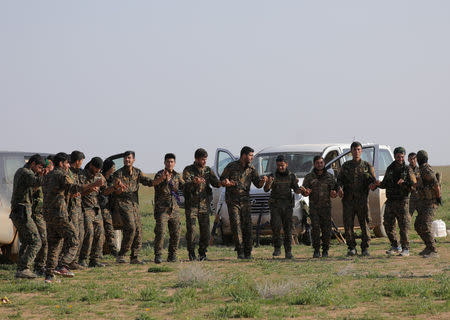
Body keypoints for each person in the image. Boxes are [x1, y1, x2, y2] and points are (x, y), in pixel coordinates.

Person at [43, 152, 103, 283]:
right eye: (66, 163)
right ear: (61, 163)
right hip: (59, 214)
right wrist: (93, 185)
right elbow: (74, 187)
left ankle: (49, 276)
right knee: (75, 239)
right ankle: (62, 265)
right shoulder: (61, 174)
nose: (68, 165)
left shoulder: (48, 176)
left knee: (54, 244)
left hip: (48, 215)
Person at [113, 151, 164, 264]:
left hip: (134, 204)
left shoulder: (137, 172)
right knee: (131, 227)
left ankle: (134, 257)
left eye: (129, 158)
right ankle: (121, 254)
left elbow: (149, 182)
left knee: (138, 230)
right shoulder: (118, 173)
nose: (127, 160)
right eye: (126, 158)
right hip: (123, 204)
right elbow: (114, 188)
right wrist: (118, 187)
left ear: (133, 160)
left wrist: (160, 179)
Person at [220, 146, 267, 259]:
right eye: (250, 155)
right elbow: (222, 180)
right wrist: (225, 182)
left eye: (252, 155)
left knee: (247, 226)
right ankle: (240, 251)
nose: (252, 157)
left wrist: (263, 181)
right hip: (233, 201)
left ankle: (248, 252)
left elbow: (258, 184)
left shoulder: (251, 169)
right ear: (244, 155)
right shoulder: (231, 166)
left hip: (245, 202)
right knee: (236, 225)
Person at [337, 142, 378, 257]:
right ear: (351, 151)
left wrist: (373, 185)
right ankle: (352, 247)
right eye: (354, 150)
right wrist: (339, 188)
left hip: (362, 201)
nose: (356, 152)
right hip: (348, 201)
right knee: (348, 225)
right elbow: (339, 180)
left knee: (364, 224)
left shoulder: (367, 166)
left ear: (361, 151)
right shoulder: (345, 166)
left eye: (358, 149)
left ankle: (365, 248)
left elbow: (372, 181)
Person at [376, 147, 416, 257]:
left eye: (402, 157)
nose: (400, 159)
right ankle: (395, 246)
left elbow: (414, 186)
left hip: (402, 201)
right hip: (391, 201)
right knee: (387, 224)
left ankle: (405, 248)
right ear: (394, 157)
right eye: (398, 157)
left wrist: (405, 183)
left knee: (403, 226)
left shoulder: (408, 169)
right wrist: (378, 184)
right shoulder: (390, 168)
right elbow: (385, 184)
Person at [9, 154, 45, 279]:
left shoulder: (22, 172)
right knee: (36, 241)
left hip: (20, 211)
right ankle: (24, 268)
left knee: (26, 242)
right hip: (22, 212)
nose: (40, 170)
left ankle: (21, 270)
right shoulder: (26, 172)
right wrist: (45, 174)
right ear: (33, 164)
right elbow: (37, 182)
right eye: (39, 167)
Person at [183, 148, 221, 261]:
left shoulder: (208, 170)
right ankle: (191, 253)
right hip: (192, 206)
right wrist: (194, 182)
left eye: (205, 159)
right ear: (196, 159)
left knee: (205, 232)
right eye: (202, 159)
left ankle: (202, 253)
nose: (204, 162)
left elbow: (215, 183)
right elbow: (184, 185)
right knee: (192, 231)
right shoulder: (188, 170)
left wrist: (223, 183)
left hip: (204, 206)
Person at [264, 155, 302, 259]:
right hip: (275, 206)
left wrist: (301, 188)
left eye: (282, 165)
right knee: (276, 227)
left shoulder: (291, 176)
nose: (280, 167)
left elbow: (297, 190)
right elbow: (266, 189)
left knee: (288, 228)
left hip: (287, 206)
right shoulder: (273, 176)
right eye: (278, 165)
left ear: (286, 164)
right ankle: (277, 249)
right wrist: (268, 183)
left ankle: (288, 251)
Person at [79, 157, 116, 267]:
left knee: (100, 233)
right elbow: (78, 192)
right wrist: (91, 187)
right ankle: (82, 259)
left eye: (99, 169)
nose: (98, 171)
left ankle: (94, 260)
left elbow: (104, 191)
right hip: (85, 208)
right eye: (96, 169)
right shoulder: (82, 176)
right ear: (91, 165)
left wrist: (114, 187)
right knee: (89, 233)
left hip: (96, 208)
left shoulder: (100, 176)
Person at [301, 155, 338, 258]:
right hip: (314, 208)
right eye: (317, 163)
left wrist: (334, 194)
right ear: (314, 164)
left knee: (326, 229)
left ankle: (325, 250)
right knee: (315, 229)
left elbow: (334, 191)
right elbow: (304, 191)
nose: (320, 165)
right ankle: (316, 250)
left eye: (321, 163)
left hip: (326, 207)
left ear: (324, 163)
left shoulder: (329, 177)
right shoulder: (309, 177)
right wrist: (306, 192)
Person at [153, 153, 184, 263]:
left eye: (171, 162)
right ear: (164, 163)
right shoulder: (159, 174)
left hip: (174, 209)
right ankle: (158, 255)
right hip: (162, 209)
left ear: (174, 163)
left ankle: (172, 255)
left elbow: (184, 186)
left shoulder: (177, 175)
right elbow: (156, 186)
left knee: (176, 233)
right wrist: (164, 180)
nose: (169, 164)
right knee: (160, 232)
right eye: (168, 162)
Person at [414, 150, 441, 258]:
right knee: (417, 225)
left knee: (425, 224)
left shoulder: (426, 169)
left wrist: (438, 197)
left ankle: (433, 250)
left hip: (431, 203)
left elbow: (436, 184)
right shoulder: (421, 170)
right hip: (424, 202)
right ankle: (428, 247)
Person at [62, 150, 86, 270]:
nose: (82, 164)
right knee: (73, 236)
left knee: (81, 234)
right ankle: (65, 262)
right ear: (77, 161)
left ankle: (73, 261)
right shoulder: (68, 173)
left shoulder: (79, 173)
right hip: (70, 208)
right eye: (81, 161)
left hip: (78, 207)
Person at [31, 157, 54, 277]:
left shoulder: (48, 179)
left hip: (44, 214)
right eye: (49, 167)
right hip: (36, 213)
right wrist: (41, 177)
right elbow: (33, 190)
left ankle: (41, 266)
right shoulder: (37, 178)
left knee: (45, 241)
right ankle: (39, 267)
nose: (50, 170)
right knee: (43, 241)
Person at [99, 159, 118, 256]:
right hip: (100, 207)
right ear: (108, 168)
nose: (114, 169)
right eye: (113, 167)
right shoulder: (100, 178)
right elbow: (103, 192)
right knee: (104, 230)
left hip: (108, 207)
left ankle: (112, 251)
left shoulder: (112, 178)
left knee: (109, 230)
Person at [408, 153, 420, 217]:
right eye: (410, 159)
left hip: (419, 197)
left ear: (416, 159)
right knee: (407, 217)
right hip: (409, 197)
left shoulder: (420, 170)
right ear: (408, 160)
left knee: (422, 216)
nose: (412, 160)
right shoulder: (406, 170)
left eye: (414, 159)